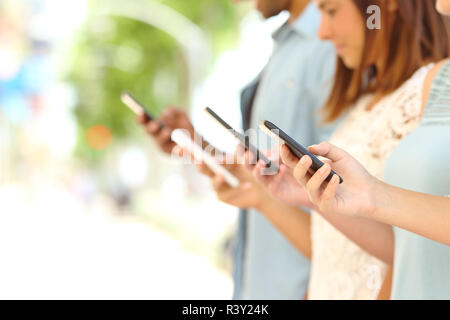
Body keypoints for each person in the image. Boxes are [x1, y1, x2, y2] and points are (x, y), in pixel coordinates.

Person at [250, 0, 449, 299]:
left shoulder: (431, 91)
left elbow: (406, 253)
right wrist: (304, 194)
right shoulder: (361, 104)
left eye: (331, 11)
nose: (322, 33)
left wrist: (372, 195)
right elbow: (342, 252)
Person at [139, 0, 335, 299]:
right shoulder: (286, 44)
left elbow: (347, 205)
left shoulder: (331, 44)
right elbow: (262, 177)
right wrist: (196, 145)